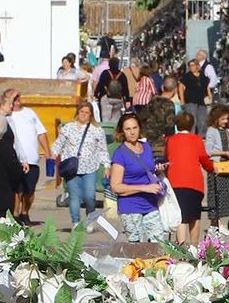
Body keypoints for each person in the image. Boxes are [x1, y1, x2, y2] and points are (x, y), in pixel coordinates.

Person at [108, 110, 167, 243]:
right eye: (128, 129)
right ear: (122, 132)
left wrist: (157, 170)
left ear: (139, 128)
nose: (132, 132)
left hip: (150, 204)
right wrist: (144, 188)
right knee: (137, 248)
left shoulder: (146, 147)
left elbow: (146, 170)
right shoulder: (120, 154)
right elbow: (115, 186)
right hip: (130, 207)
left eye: (135, 127)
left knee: (160, 245)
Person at [51, 100, 111, 229]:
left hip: (90, 167)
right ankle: (76, 222)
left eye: (87, 113)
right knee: (74, 197)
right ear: (77, 112)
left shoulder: (96, 130)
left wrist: (106, 165)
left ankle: (90, 219)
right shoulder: (67, 128)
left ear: (91, 115)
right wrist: (53, 154)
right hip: (72, 168)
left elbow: (102, 149)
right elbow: (58, 144)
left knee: (89, 196)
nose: (84, 114)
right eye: (82, 111)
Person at [164, 111, 214, 246]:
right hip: (194, 182)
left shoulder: (170, 140)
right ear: (192, 125)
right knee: (194, 217)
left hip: (175, 182)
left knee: (180, 216)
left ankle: (180, 247)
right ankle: (194, 247)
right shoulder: (197, 140)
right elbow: (204, 159)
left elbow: (167, 157)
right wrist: (212, 168)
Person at [6, 91, 47, 222]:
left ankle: (25, 212)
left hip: (32, 159)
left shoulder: (30, 113)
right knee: (17, 190)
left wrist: (47, 150)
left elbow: (41, 132)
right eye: (14, 97)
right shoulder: (7, 115)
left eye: (19, 97)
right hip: (15, 159)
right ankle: (16, 215)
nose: (18, 100)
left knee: (30, 191)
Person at [204, 106, 229, 230]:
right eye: (222, 119)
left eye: (226, 119)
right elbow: (208, 151)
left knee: (228, 195)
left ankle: (226, 222)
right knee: (216, 195)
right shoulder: (211, 131)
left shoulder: (228, 131)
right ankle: (216, 223)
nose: (225, 121)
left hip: (228, 167)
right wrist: (225, 153)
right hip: (217, 167)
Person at [94, 53, 131, 126]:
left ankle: (106, 132)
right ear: (118, 64)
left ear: (109, 64)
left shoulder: (105, 73)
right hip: (118, 98)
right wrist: (127, 99)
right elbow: (125, 88)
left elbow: (100, 85)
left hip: (106, 98)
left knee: (105, 119)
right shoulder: (122, 75)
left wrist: (96, 94)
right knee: (117, 118)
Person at [182, 52, 211, 131]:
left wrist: (210, 96)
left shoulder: (203, 75)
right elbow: (181, 87)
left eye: (192, 65)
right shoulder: (186, 76)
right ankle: (192, 136)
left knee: (202, 121)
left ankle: (201, 137)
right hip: (191, 101)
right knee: (192, 121)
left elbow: (207, 86)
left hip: (201, 101)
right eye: (190, 65)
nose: (191, 67)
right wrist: (182, 100)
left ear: (197, 66)